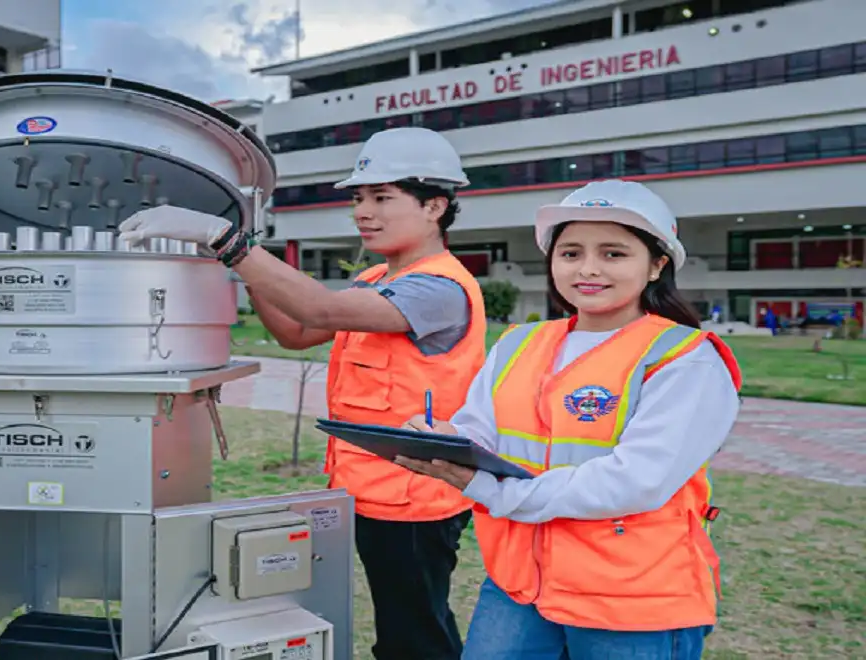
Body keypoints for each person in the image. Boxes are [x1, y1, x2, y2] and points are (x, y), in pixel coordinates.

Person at [119, 127, 489, 660]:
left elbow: (319, 309)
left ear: (435, 206)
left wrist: (226, 240)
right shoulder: (379, 277)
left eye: (382, 197)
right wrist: (243, 267)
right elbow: (296, 332)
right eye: (359, 199)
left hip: (414, 499)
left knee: (415, 633)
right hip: (365, 489)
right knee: (402, 624)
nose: (364, 211)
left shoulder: (439, 287)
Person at [395, 179, 743, 659]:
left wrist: (496, 491)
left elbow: (635, 481)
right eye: (571, 252)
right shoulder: (520, 342)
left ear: (657, 265)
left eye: (614, 254)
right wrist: (448, 440)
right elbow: (482, 428)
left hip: (631, 597)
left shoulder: (684, 358)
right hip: (520, 584)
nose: (589, 269)